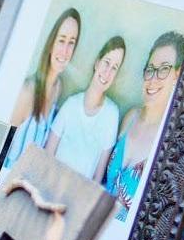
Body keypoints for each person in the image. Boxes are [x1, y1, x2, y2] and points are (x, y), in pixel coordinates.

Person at [104, 30, 184, 221]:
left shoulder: (170, 141)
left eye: (164, 69)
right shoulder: (130, 117)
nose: (153, 78)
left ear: (177, 75)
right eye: (150, 68)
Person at [48, 34, 126, 183]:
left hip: (79, 197)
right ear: (97, 63)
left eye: (114, 68)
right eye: (106, 63)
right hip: (51, 185)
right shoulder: (71, 105)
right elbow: (47, 155)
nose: (107, 72)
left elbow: (98, 176)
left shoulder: (111, 114)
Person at [7, 7, 81, 163]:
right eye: (61, 40)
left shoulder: (57, 88)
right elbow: (2, 147)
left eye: (71, 42)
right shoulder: (27, 92)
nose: (65, 50)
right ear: (51, 44)